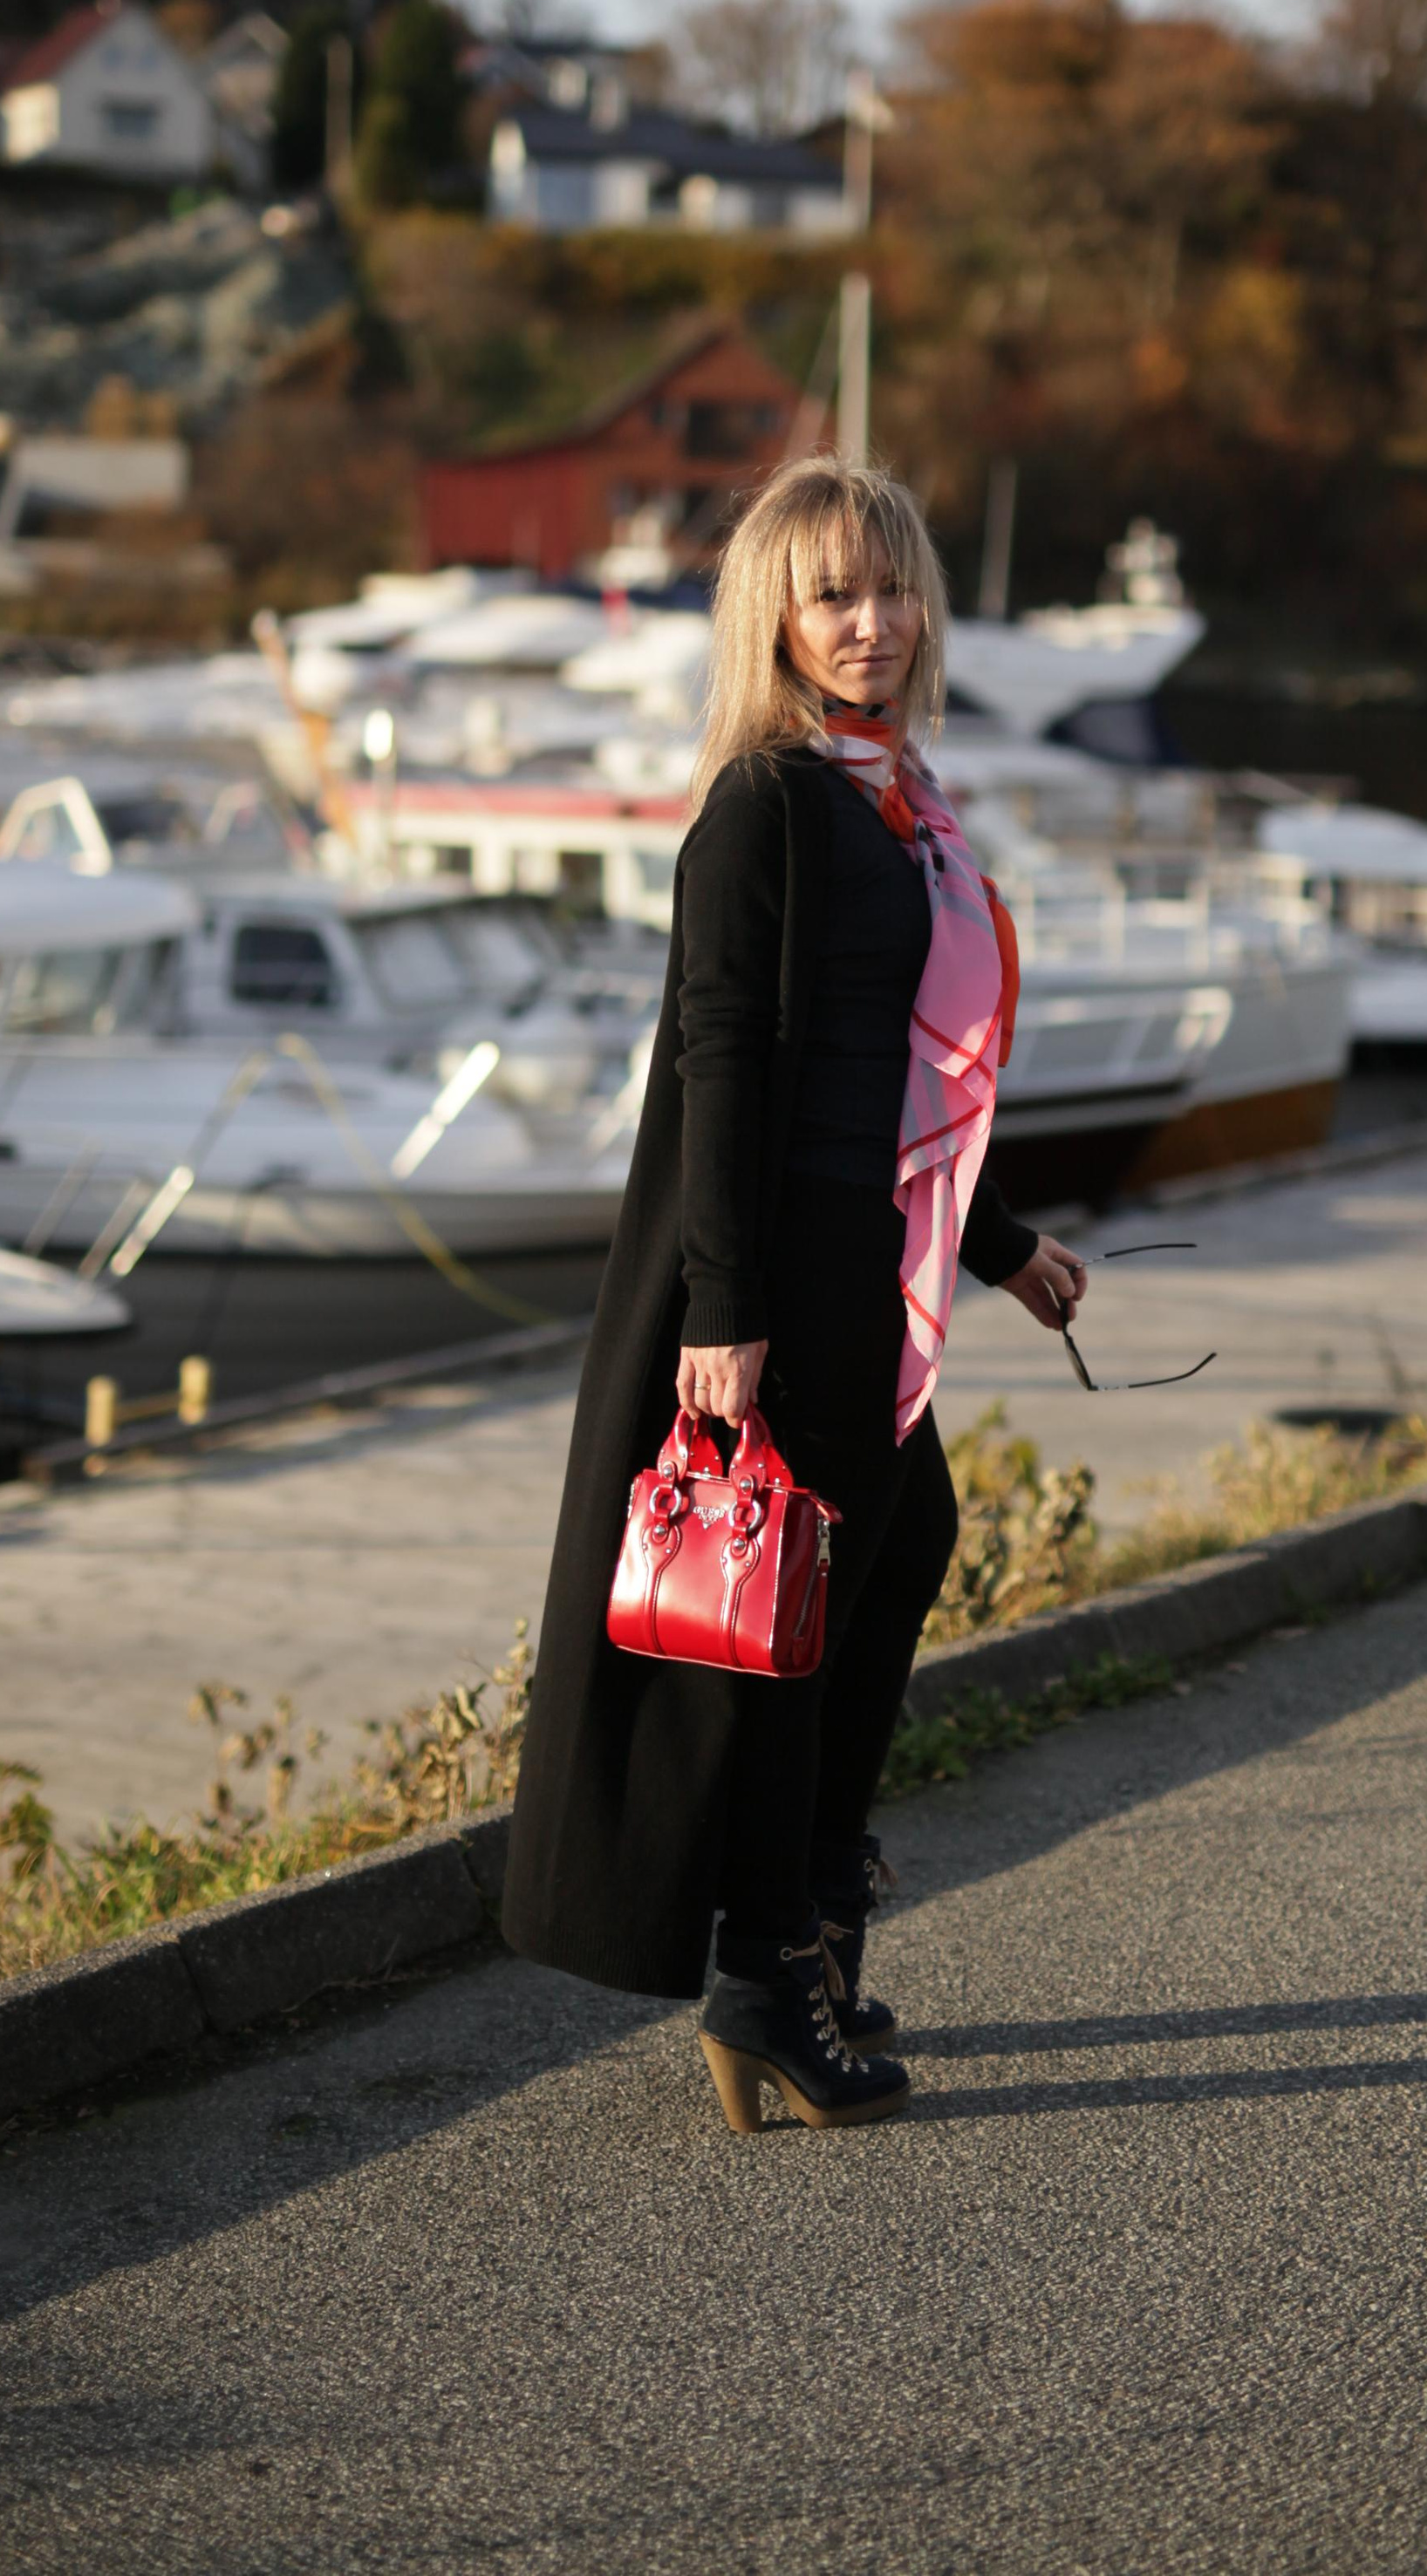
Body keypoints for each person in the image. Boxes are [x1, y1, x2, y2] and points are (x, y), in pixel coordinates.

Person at [502, 459, 1087, 2132]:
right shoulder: (766, 803)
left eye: (896, 590)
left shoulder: (894, 797)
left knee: (895, 1552)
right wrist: (722, 1314)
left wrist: (1001, 1245)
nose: (875, 623)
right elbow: (726, 1066)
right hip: (791, 1276)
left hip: (863, 1251)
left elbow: (891, 1080)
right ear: (776, 613)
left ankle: (808, 1920)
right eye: (836, 594)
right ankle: (768, 1972)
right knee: (787, 1622)